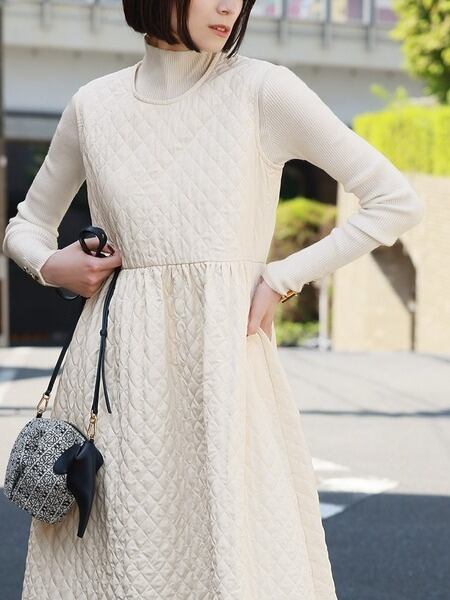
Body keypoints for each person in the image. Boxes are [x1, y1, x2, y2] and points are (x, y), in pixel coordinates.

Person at [2, 1, 424, 599]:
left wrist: (283, 278)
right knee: (114, 566)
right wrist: (52, 266)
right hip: (112, 377)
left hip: (222, 373)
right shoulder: (93, 106)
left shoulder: (263, 91)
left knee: (235, 562)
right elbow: (26, 225)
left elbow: (393, 200)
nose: (231, 5)